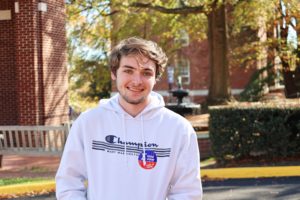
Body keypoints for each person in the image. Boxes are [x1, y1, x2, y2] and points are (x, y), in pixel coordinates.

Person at [55, 37, 203, 200]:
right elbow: (68, 182)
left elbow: (187, 193)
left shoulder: (179, 129)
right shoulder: (88, 123)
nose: (137, 81)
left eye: (146, 73)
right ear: (114, 73)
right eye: (128, 70)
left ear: (156, 78)